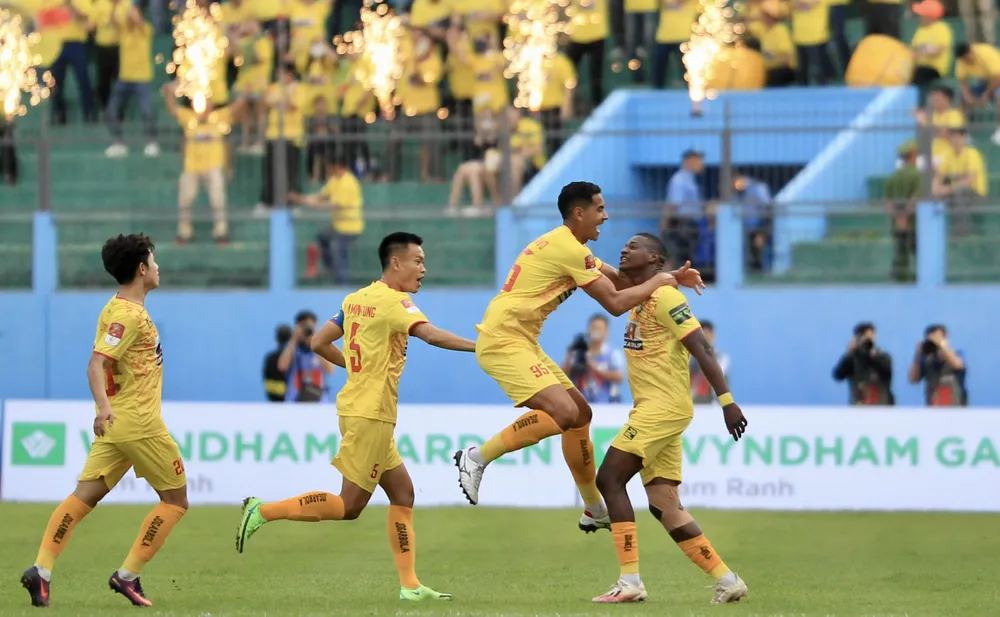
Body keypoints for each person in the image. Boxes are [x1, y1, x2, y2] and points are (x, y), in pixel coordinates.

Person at [236, 232, 475, 601]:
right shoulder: (397, 302)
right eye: (418, 261)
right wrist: (481, 346)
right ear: (396, 263)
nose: (423, 269)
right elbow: (430, 335)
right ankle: (262, 511)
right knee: (349, 506)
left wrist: (355, 368)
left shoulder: (356, 299)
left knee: (403, 493)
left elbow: (317, 342)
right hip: (372, 414)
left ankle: (410, 586)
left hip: (357, 407)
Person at [453, 181, 705, 530]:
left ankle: (593, 508)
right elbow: (616, 304)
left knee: (580, 415)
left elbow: (618, 282)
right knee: (564, 412)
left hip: (521, 339)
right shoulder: (567, 248)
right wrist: (660, 281)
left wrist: (670, 276)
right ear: (579, 213)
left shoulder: (573, 248)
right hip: (503, 339)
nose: (605, 216)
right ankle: (476, 457)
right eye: (600, 210)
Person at [21, 234, 186, 608]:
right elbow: (96, 363)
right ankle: (127, 575)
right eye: (154, 261)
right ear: (142, 269)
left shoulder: (115, 308)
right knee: (176, 501)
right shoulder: (129, 316)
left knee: (84, 496)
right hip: (139, 422)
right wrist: (102, 407)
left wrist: (107, 411)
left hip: (118, 426)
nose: (158, 268)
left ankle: (41, 570)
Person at [591, 233, 748, 605]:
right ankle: (728, 580)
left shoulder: (666, 298)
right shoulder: (643, 293)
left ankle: (630, 580)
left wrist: (727, 402)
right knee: (664, 504)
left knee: (609, 477)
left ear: (654, 257)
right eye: (624, 244)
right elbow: (607, 276)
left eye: (633, 246)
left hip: (663, 408)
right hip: (653, 408)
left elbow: (703, 349)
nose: (624, 248)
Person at [277, 310, 334, 402]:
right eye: (303, 326)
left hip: (319, 404)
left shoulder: (321, 348)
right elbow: (282, 367)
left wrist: (316, 342)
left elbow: (330, 370)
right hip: (295, 404)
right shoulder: (292, 349)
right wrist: (294, 339)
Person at [832, 322, 894, 405]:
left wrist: (873, 356)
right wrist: (848, 354)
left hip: (882, 409)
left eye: (870, 337)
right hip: (859, 410)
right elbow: (838, 376)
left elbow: (886, 373)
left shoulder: (883, 357)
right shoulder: (852, 359)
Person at [908, 324, 967, 406]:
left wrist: (942, 346)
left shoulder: (956, 355)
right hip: (933, 413)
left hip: (956, 412)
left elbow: (958, 365)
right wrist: (918, 354)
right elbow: (913, 379)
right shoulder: (926, 361)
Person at [263, 324, 292, 401]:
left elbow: (267, 382)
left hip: (275, 400)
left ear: (277, 339)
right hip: (290, 401)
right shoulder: (294, 358)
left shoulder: (270, 358)